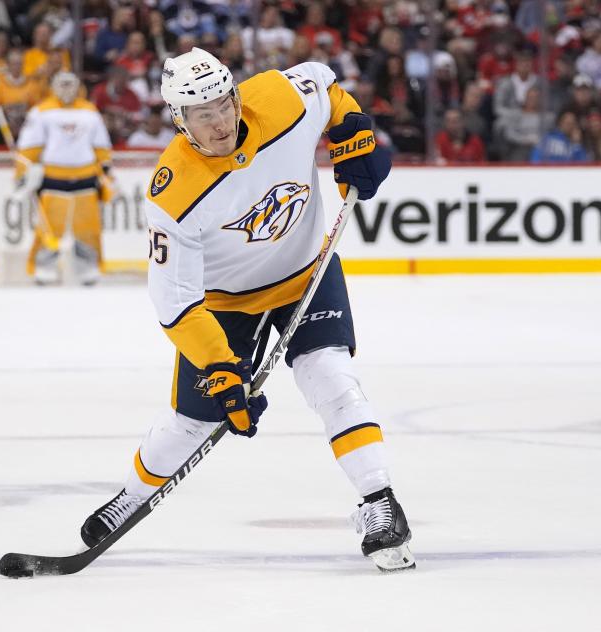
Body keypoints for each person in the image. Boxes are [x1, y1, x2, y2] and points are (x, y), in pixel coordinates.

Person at [79, 48, 414, 572]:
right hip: (223, 304)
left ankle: (380, 502)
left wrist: (351, 127)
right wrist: (219, 367)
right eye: (201, 113)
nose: (219, 121)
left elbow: (327, 90)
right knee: (192, 421)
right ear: (179, 119)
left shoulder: (278, 99)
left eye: (223, 104)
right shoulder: (173, 193)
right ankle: (130, 495)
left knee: (332, 378)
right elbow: (175, 301)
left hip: (307, 270)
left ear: (236, 95)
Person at [13, 72, 113, 285]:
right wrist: (21, 172)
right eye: (62, 84)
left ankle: (88, 268)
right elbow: (29, 146)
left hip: (86, 176)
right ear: (53, 86)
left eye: (70, 84)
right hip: (53, 177)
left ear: (78, 86)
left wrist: (108, 174)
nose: (66, 89)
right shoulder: (41, 112)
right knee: (50, 226)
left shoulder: (90, 112)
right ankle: (44, 267)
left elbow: (101, 147)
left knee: (87, 228)